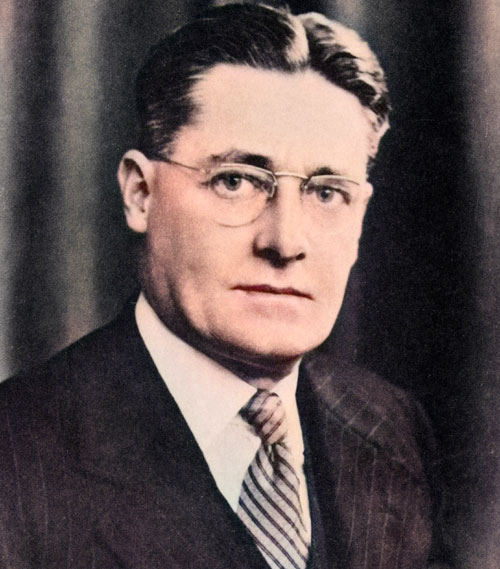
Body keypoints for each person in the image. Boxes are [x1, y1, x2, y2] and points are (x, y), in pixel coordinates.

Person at [0, 3, 448, 568]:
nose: (285, 241)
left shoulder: (391, 428)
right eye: (235, 181)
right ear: (140, 194)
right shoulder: (16, 457)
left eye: (326, 192)